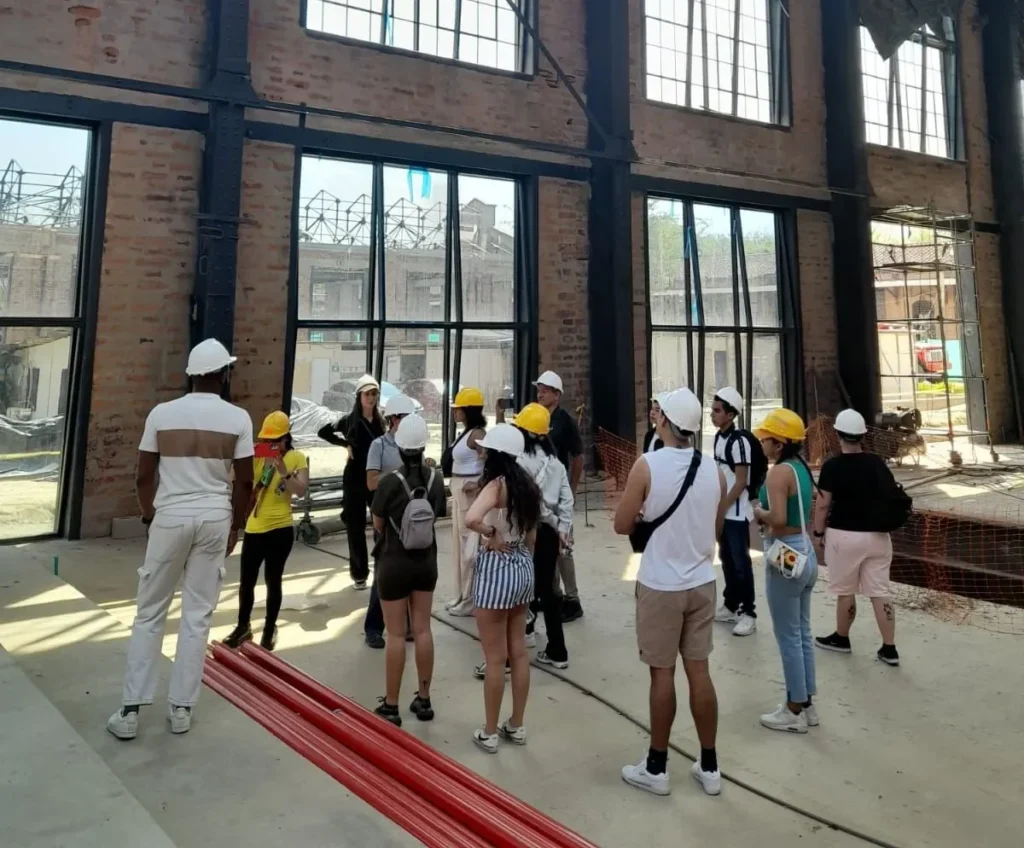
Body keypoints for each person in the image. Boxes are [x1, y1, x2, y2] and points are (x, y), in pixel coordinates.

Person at [107, 339, 254, 741]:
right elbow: (244, 482)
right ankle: (181, 710)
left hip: (170, 517)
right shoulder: (238, 418)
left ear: (190, 375)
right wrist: (235, 527)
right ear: (223, 375)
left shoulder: (161, 414)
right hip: (213, 519)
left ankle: (131, 711)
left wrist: (151, 515)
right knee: (197, 615)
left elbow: (142, 476)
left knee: (150, 612)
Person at [613, 388, 726, 798]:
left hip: (661, 585)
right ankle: (710, 765)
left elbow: (622, 524)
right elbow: (714, 531)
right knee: (700, 670)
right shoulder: (715, 470)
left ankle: (657, 767)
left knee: (662, 674)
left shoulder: (647, 466)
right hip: (702, 583)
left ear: (665, 422)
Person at [463, 423, 541, 754]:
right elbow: (532, 534)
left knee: (495, 659)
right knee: (519, 652)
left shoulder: (496, 486)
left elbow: (470, 518)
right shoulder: (527, 485)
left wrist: (489, 533)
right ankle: (517, 725)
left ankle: (490, 731)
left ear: (495, 454)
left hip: (496, 571)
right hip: (523, 566)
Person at [370, 415, 446, 727]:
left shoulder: (388, 483)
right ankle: (424, 700)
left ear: (399, 448)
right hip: (426, 564)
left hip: (393, 564)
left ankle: (391, 705)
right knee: (424, 629)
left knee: (396, 634)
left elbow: (376, 523)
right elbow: (438, 513)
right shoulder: (436, 479)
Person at [812, 409, 901, 666]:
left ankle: (842, 638)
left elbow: (822, 504)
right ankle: (889, 648)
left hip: (844, 537)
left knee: (846, 591)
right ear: (862, 435)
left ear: (838, 434)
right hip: (878, 537)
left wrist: (818, 533)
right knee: (880, 591)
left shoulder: (832, 466)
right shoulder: (877, 463)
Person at [752, 408, 819, 734]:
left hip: (786, 555)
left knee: (788, 635)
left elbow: (777, 518)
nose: (761, 442)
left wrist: (757, 511)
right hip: (805, 551)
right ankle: (807, 702)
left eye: (765, 438)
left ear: (778, 444)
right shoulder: (800, 469)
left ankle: (793, 709)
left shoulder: (778, 473)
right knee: (802, 631)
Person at [500, 370, 584, 622]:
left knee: (562, 546)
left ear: (557, 394)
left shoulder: (564, 421)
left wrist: (572, 488)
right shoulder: (533, 416)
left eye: (546, 389)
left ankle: (572, 598)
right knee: (542, 546)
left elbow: (577, 457)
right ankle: (552, 595)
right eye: (540, 388)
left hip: (555, 492)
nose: (541, 392)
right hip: (536, 493)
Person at [223, 411, 308, 651]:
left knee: (273, 579)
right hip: (255, 528)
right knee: (246, 581)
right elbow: (233, 477)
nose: (270, 445)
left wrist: (282, 470)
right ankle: (243, 626)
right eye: (266, 441)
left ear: (285, 439)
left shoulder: (296, 458)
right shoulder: (258, 456)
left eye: (275, 441)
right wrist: (247, 455)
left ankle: (270, 628)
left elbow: (300, 490)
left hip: (280, 528)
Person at [512, 403, 573, 669]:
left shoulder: (519, 462)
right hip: (549, 533)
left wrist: (547, 518)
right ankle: (557, 650)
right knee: (547, 589)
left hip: (526, 530)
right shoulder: (556, 463)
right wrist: (562, 529)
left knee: (519, 588)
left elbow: (528, 503)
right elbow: (567, 499)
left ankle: (512, 649)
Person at [318, 374, 384, 590]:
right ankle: (359, 573)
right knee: (355, 526)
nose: (371, 398)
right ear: (359, 396)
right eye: (367, 394)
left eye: (374, 394)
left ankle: (382, 568)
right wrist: (345, 444)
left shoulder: (381, 420)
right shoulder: (349, 420)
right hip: (355, 478)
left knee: (380, 523)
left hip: (376, 477)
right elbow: (324, 431)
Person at [363, 394, 418, 649]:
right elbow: (372, 481)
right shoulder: (379, 446)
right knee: (384, 575)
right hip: (386, 518)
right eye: (404, 418)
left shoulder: (414, 445)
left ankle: (407, 625)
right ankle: (374, 628)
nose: (408, 422)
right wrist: (399, 476)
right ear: (393, 419)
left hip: (412, 519)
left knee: (411, 573)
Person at [711, 387, 758, 637]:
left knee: (741, 563)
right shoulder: (718, 438)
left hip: (737, 513)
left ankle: (749, 612)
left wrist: (723, 505)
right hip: (723, 510)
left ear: (730, 414)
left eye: (717, 411)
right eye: (713, 409)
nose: (712, 414)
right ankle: (731, 605)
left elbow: (741, 481)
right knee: (727, 559)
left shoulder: (739, 442)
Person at [445, 387, 487, 617]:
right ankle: (462, 594)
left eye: (458, 408)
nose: (455, 412)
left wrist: (479, 484)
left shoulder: (477, 434)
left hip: (469, 493)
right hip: (460, 490)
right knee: (460, 545)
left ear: (468, 410)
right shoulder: (467, 432)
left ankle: (470, 598)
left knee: (470, 546)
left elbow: (491, 460)